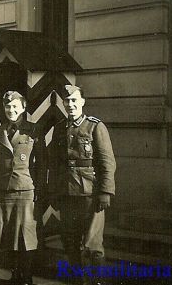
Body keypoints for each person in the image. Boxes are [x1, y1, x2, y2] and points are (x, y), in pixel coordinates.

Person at [49, 84, 116, 285]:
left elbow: (107, 161)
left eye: (74, 100)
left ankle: (95, 282)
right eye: (67, 101)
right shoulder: (59, 128)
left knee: (92, 245)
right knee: (70, 241)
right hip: (66, 193)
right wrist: (54, 192)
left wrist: (105, 191)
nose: (70, 104)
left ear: (82, 102)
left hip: (90, 194)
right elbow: (54, 164)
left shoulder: (95, 126)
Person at [0, 91, 46, 285]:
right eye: (7, 107)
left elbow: (42, 163)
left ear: (23, 108)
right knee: (7, 235)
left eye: (15, 106)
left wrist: (39, 189)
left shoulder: (33, 130)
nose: (11, 110)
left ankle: (26, 277)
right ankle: (14, 275)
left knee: (25, 235)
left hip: (25, 189)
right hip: (3, 189)